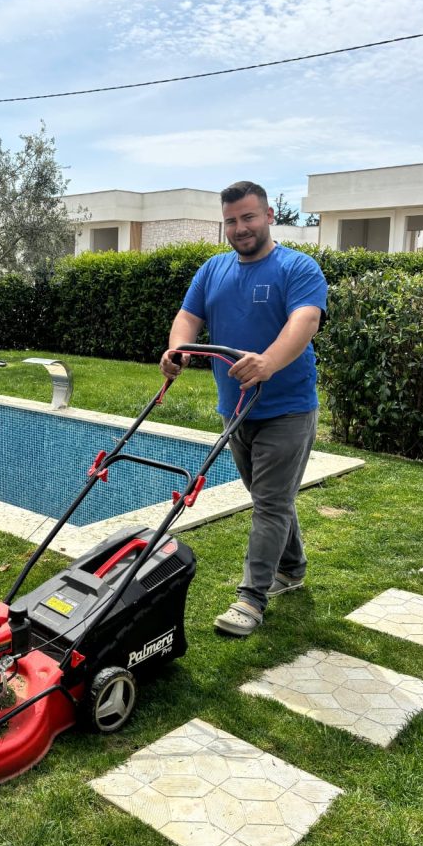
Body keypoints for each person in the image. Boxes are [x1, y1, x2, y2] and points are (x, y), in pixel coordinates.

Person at [159, 181, 327, 637]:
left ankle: (251, 599)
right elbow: (188, 316)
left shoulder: (297, 267)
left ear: (269, 215)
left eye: (249, 217)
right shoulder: (213, 269)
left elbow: (305, 320)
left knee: (270, 504)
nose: (240, 227)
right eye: (231, 220)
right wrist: (179, 349)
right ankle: (292, 567)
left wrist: (267, 362)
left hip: (287, 409)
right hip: (235, 409)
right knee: (271, 498)